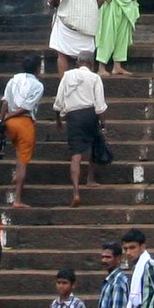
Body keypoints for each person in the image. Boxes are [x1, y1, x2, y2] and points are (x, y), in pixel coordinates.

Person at [53, 50, 108, 207]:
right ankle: (90, 179)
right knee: (94, 144)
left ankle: (76, 192)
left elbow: (58, 102)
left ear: (77, 63)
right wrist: (103, 125)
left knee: (76, 155)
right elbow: (100, 106)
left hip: (73, 116)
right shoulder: (95, 78)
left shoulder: (67, 76)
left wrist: (58, 121)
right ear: (92, 63)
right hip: (90, 114)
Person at [0, 54, 45, 209]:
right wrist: (11, 115)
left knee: (19, 152)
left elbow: (5, 102)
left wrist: (1, 120)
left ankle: (16, 176)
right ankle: (17, 199)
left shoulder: (12, 80)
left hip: (9, 123)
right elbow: (26, 107)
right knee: (23, 161)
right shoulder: (38, 85)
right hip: (24, 123)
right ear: (37, 69)